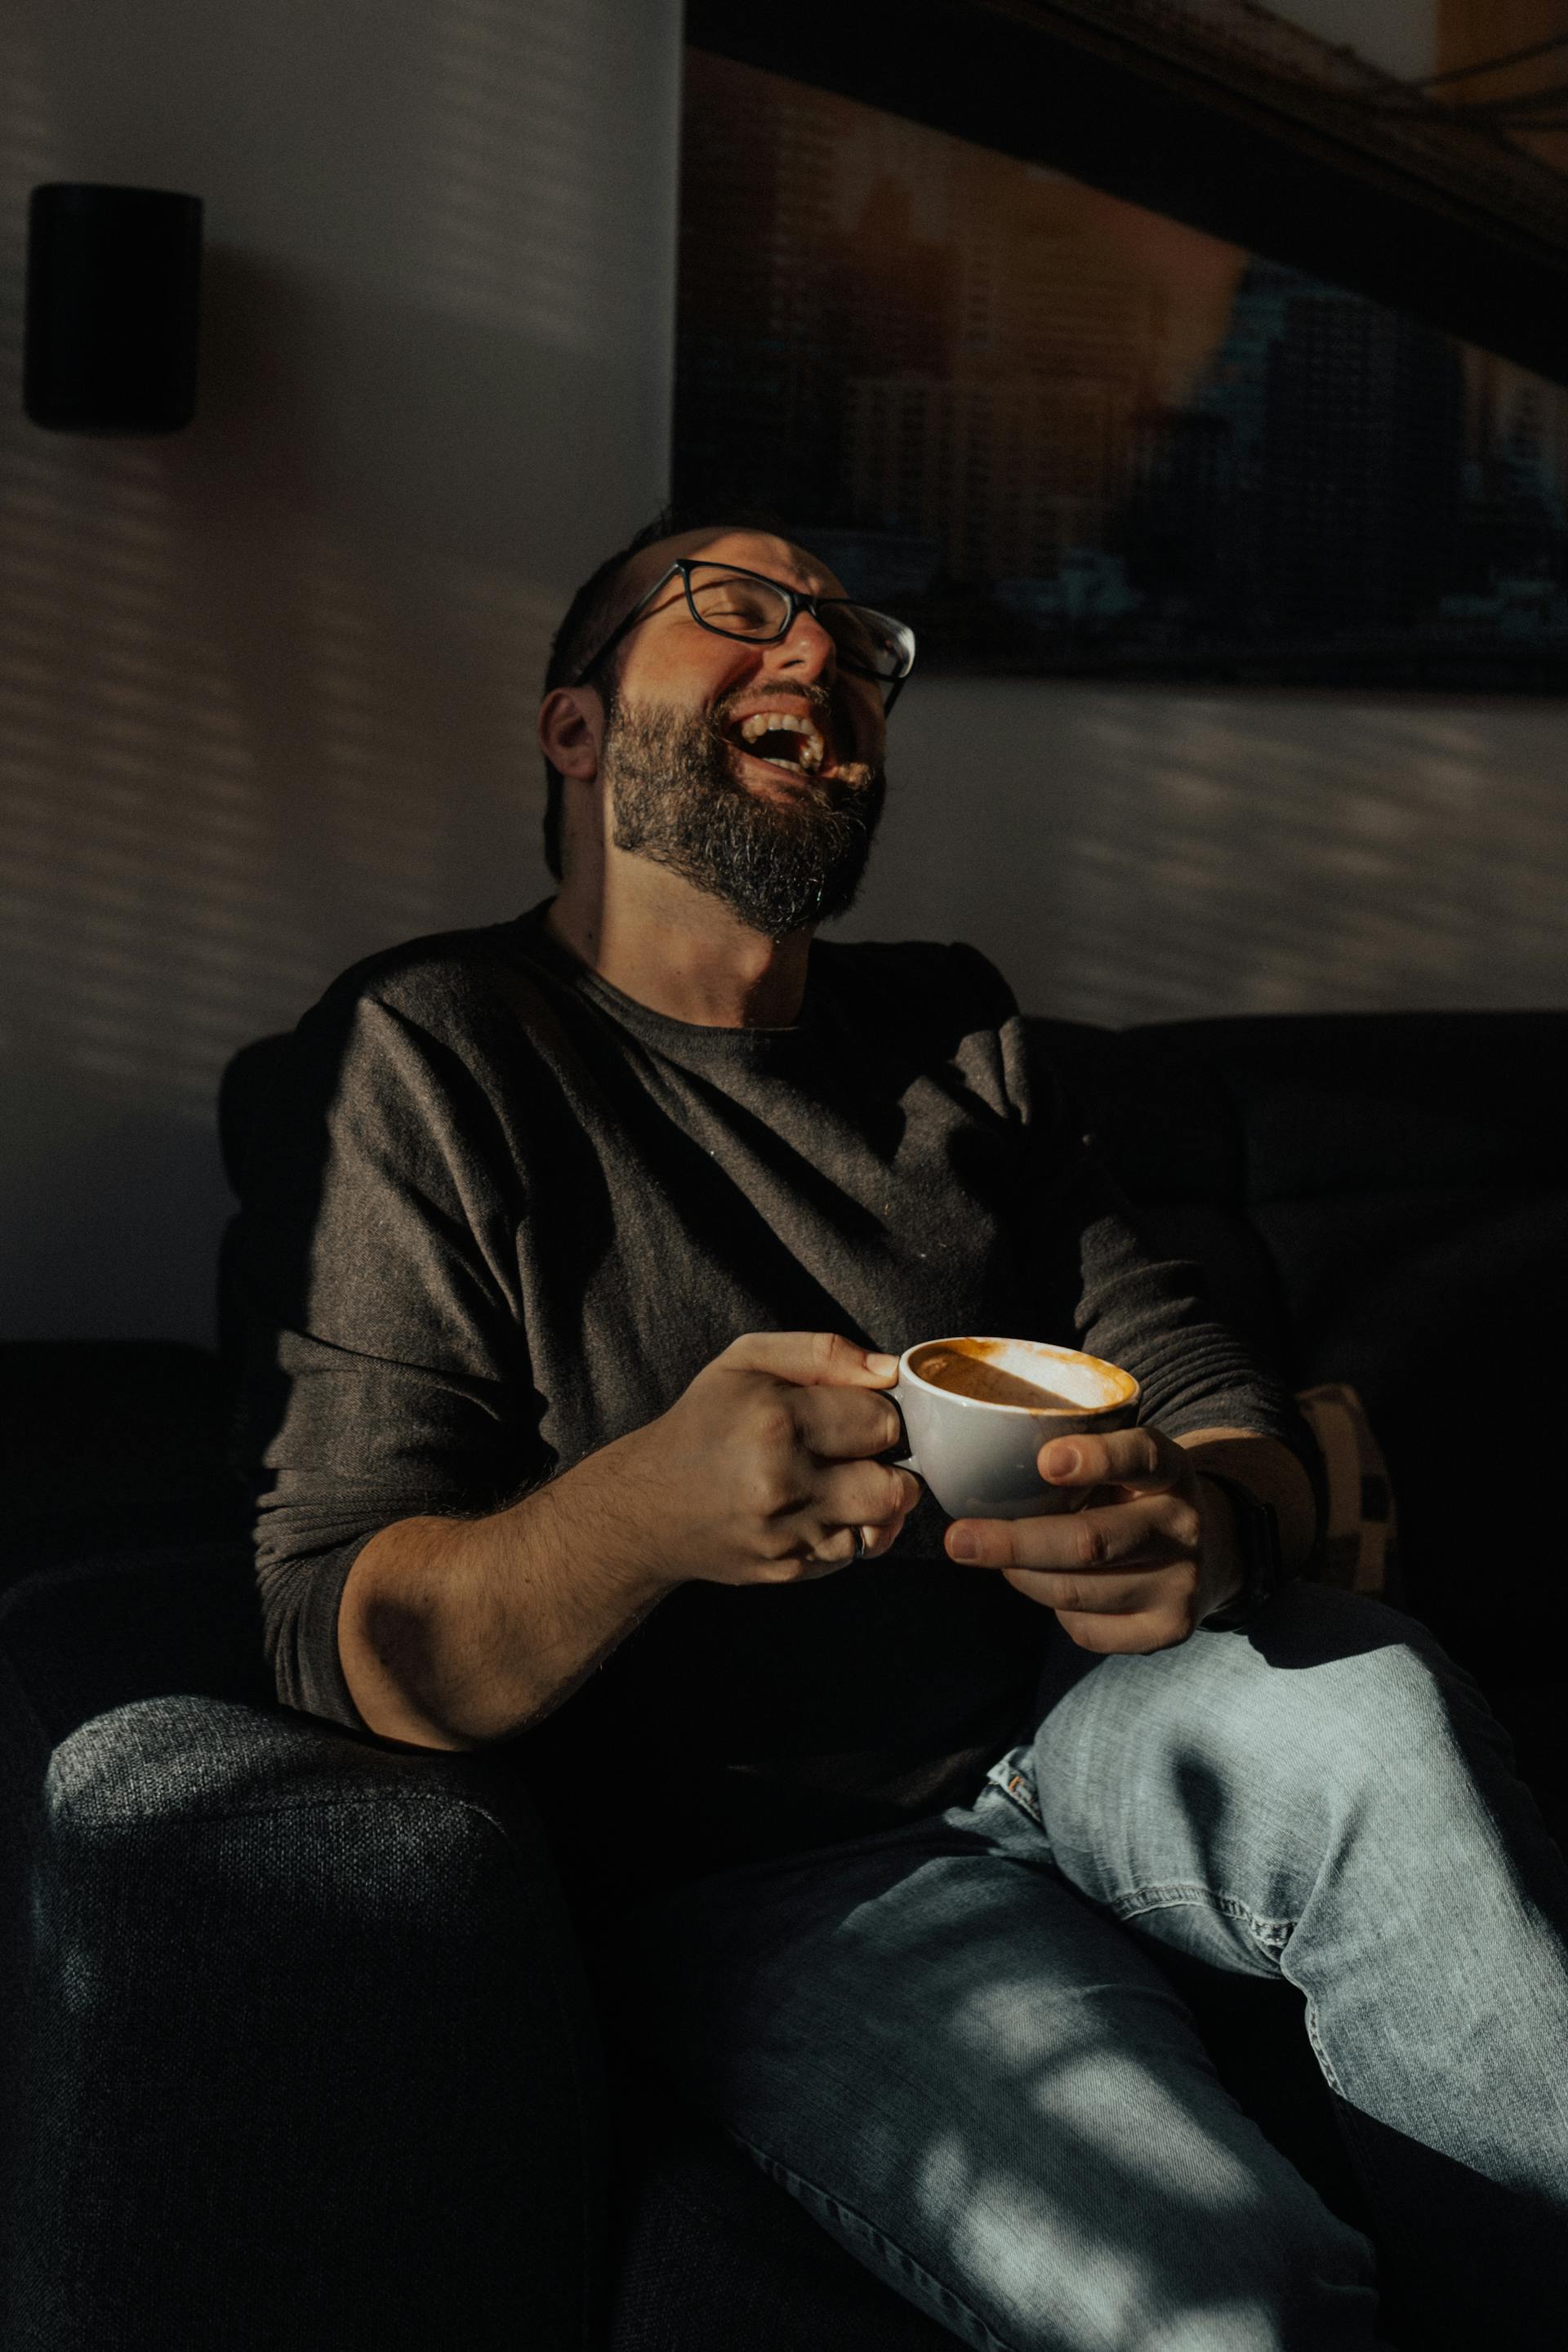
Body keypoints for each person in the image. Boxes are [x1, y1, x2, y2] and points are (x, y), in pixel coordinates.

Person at [235, 509, 1568, 2350]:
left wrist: (1217, 1520)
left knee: (1371, 1694)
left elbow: (1195, 1379)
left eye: (856, 644)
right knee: (1223, 2298)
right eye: (737, 611)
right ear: (573, 730)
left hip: (1083, 1724)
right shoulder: (439, 1048)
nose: (823, 658)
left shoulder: (958, 1029)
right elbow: (338, 1637)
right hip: (773, 1878)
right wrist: (644, 1511)